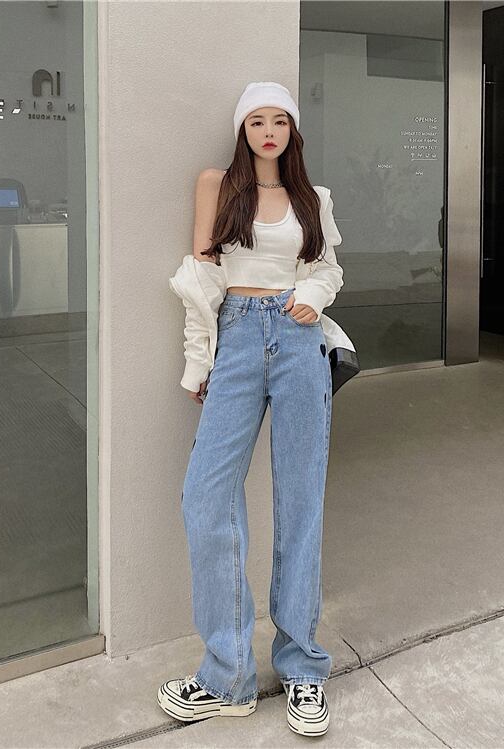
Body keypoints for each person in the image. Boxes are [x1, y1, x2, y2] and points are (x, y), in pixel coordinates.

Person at [157, 82, 344, 738]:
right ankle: (227, 675)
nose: (269, 131)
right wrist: (198, 360)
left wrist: (312, 297)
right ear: (243, 129)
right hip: (236, 337)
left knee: (300, 501)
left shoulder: (312, 197)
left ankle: (302, 667)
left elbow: (327, 268)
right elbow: (200, 278)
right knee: (205, 496)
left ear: (292, 130)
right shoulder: (218, 185)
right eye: (257, 120)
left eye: (279, 120)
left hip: (299, 344)